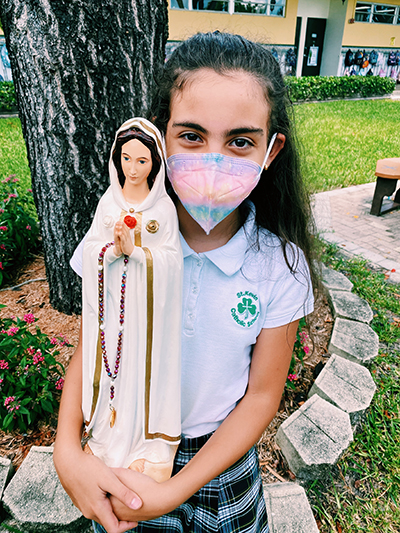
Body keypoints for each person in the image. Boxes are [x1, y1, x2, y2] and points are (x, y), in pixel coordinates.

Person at [54, 31, 316, 533]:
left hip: (221, 472)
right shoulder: (115, 235)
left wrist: (176, 488)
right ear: (158, 138)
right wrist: (68, 450)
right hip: (126, 454)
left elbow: (262, 397)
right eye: (192, 136)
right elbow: (97, 335)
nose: (214, 161)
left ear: (271, 149)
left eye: (240, 141)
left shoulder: (279, 267)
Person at [80, 117, 182, 483]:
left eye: (142, 161)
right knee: (115, 372)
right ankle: (107, 441)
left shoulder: (163, 209)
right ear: (116, 158)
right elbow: (90, 249)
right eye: (126, 159)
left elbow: (173, 263)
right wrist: (110, 251)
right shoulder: (108, 202)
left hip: (147, 318)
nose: (133, 169)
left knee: (143, 371)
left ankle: (147, 445)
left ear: (155, 162)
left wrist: (136, 253)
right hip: (112, 312)